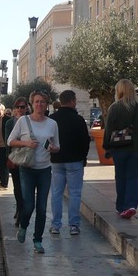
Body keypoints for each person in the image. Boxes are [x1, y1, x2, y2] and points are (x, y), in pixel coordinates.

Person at [7, 90, 60, 254]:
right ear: (32, 104)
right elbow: (10, 141)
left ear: (46, 105)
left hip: (44, 170)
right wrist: (26, 143)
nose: (39, 104)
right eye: (36, 102)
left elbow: (58, 146)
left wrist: (53, 148)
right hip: (27, 169)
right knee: (28, 205)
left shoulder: (52, 124)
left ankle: (38, 240)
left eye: (42, 102)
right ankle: (23, 226)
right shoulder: (23, 121)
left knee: (42, 208)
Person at [103, 79, 138, 219]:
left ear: (119, 91)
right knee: (133, 176)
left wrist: (106, 147)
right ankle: (131, 205)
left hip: (119, 148)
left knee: (121, 176)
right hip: (137, 148)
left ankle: (121, 206)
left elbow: (108, 129)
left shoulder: (114, 107)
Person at [48, 90, 90, 235]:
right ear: (72, 101)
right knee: (75, 193)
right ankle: (74, 225)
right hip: (74, 161)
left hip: (56, 160)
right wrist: (83, 157)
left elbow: (48, 140)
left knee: (56, 193)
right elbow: (85, 141)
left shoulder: (52, 119)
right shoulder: (78, 120)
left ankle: (55, 225)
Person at [5, 97, 28, 227]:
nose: (20, 109)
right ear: (14, 109)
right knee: (17, 186)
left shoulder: (31, 121)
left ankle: (23, 210)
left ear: (27, 108)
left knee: (26, 187)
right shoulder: (9, 123)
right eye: (18, 107)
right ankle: (19, 209)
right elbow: (8, 140)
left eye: (22, 107)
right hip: (14, 157)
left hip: (27, 158)